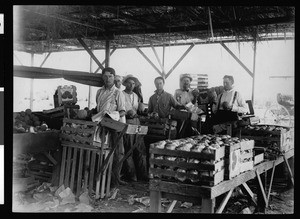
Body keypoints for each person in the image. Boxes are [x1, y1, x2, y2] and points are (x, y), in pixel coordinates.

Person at [93, 67, 127, 188]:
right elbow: (98, 108)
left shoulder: (118, 93)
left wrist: (112, 115)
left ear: (114, 77)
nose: (108, 79)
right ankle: (102, 178)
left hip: (115, 126)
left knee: (117, 153)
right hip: (101, 125)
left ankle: (114, 181)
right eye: (105, 76)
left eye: (110, 76)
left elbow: (123, 111)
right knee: (101, 152)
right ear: (102, 77)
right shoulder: (99, 92)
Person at [121, 74, 148, 182]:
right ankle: (132, 176)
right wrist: (128, 114)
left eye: (133, 84)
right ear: (125, 83)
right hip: (127, 122)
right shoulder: (121, 94)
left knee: (140, 149)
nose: (131, 85)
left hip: (137, 123)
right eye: (129, 83)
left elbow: (137, 110)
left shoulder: (136, 96)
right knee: (129, 150)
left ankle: (143, 175)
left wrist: (142, 111)